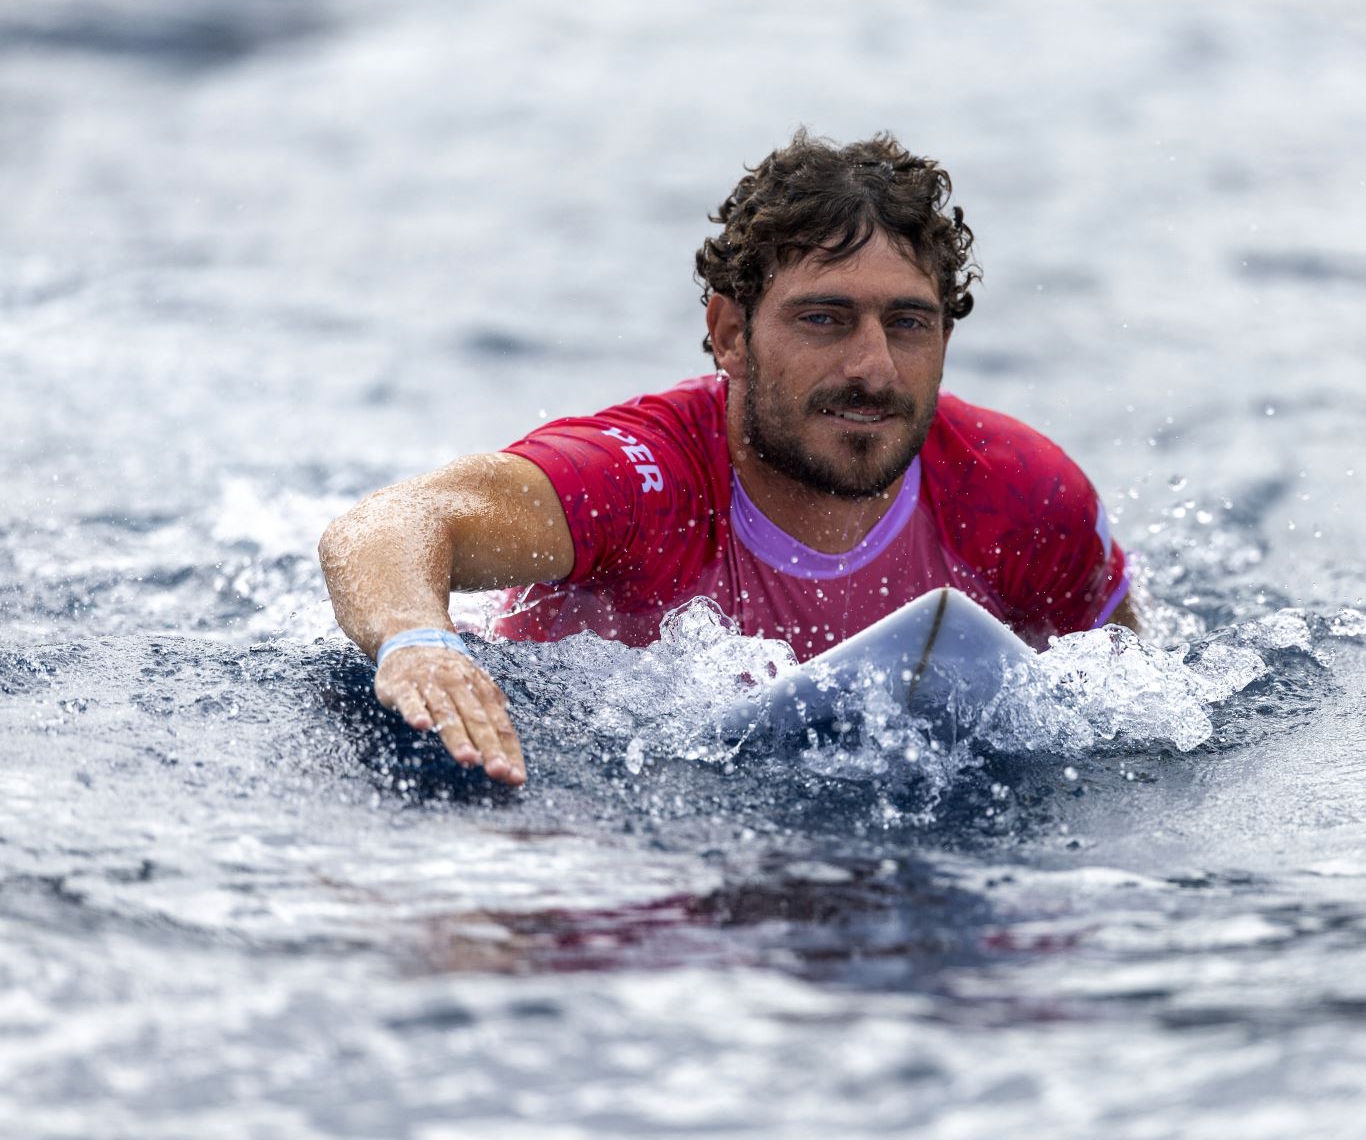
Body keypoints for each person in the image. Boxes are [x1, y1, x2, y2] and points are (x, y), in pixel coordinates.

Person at [319, 131, 1135, 786]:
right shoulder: (642, 476)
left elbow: (1142, 705)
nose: (875, 367)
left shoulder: (1021, 492)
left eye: (909, 324)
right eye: (825, 318)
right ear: (731, 334)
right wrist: (417, 641)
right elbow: (392, 523)